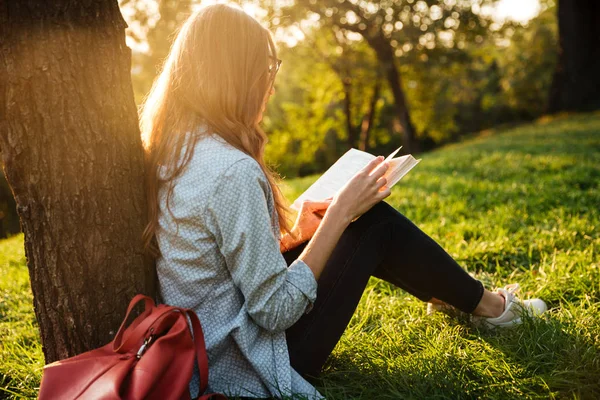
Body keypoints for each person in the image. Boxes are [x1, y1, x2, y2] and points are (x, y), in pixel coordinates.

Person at [139, 4, 546, 399]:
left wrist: (300, 232)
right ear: (233, 76)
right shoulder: (231, 171)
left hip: (206, 348)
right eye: (265, 68)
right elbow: (274, 311)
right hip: (249, 364)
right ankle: (493, 309)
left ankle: (456, 299)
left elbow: (221, 265)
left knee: (356, 221)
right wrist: (339, 215)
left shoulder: (174, 150)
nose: (271, 82)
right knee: (372, 223)